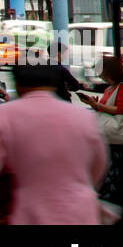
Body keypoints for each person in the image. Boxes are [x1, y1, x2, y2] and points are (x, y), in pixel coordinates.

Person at [0, 65, 108, 224]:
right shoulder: (82, 116)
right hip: (81, 212)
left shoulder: (6, 115)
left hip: (32, 212)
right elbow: (98, 164)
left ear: (17, 85)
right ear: (53, 83)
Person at [78, 57, 123, 211]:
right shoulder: (109, 89)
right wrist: (94, 105)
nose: (99, 75)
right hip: (109, 135)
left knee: (115, 170)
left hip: (118, 137)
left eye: (101, 71)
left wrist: (98, 105)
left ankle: (114, 203)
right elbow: (106, 108)